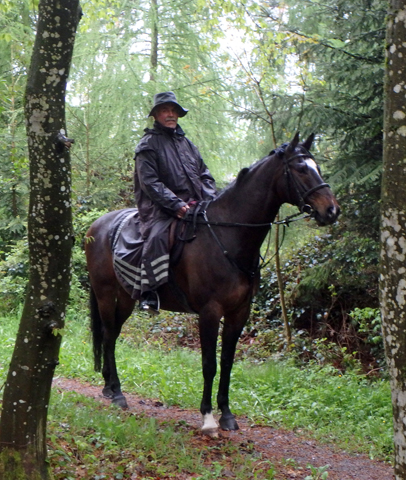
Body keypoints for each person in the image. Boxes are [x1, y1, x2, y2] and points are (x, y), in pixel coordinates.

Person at [134, 91, 217, 314]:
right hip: (160, 209)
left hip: (196, 205)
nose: (170, 114)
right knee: (158, 237)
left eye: (173, 111)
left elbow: (205, 174)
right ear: (156, 115)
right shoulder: (147, 145)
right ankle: (149, 293)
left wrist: (209, 199)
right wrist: (176, 205)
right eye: (164, 111)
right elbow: (150, 183)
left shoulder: (187, 144)